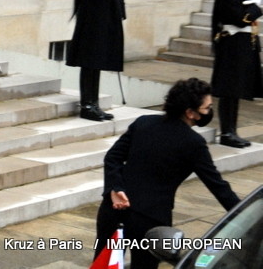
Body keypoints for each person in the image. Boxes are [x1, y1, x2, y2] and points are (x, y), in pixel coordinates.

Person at [93, 78, 240, 269]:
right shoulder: (193, 143)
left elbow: (112, 158)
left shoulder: (144, 123)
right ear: (190, 112)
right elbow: (218, 186)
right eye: (206, 108)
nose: (208, 112)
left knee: (103, 264)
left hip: (114, 208)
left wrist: (115, 188)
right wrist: (244, 215)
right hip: (151, 220)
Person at [210, 0, 262, 148]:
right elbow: (240, 17)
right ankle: (226, 132)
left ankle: (233, 129)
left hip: (243, 45)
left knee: (237, 90)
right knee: (229, 90)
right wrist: (258, 9)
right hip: (232, 45)